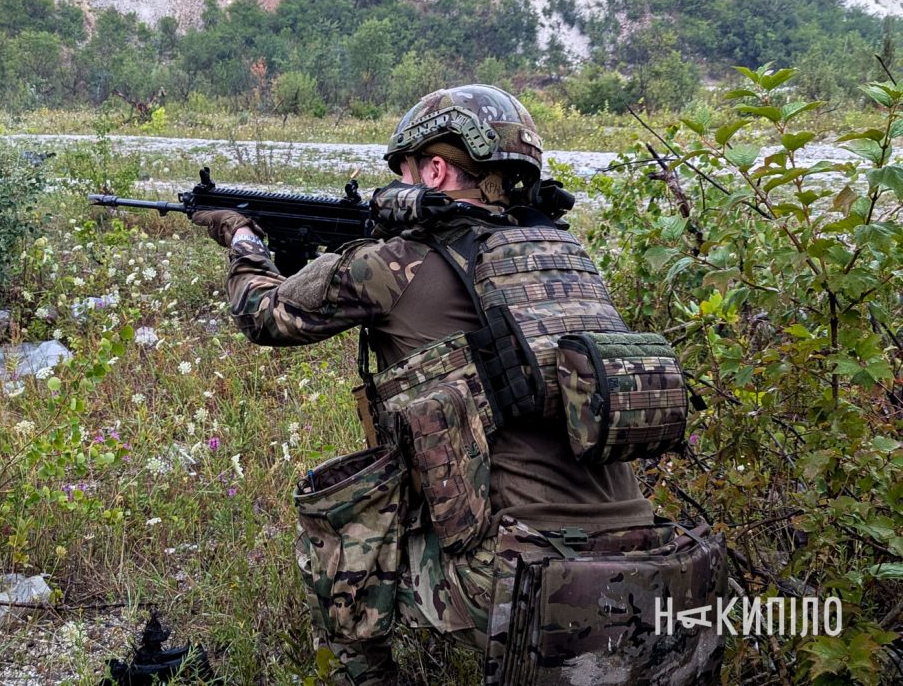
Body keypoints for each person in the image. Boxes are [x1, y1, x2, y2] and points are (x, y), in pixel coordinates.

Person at [193, 85, 726, 685]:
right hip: (656, 564)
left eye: (405, 171)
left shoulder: (394, 265)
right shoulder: (567, 258)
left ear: (437, 170)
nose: (395, 185)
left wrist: (242, 240)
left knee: (339, 520)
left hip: (526, 579)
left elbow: (261, 315)